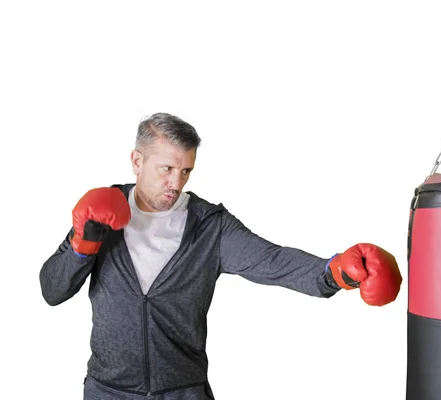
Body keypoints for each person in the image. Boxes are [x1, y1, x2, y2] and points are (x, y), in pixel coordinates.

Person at [39, 112, 403, 400]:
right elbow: (52, 290)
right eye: (166, 169)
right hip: (108, 393)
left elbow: (272, 261)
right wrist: (80, 246)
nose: (176, 184)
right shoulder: (100, 212)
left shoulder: (210, 226)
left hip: (183, 392)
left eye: (186, 171)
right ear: (137, 160)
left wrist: (334, 271)